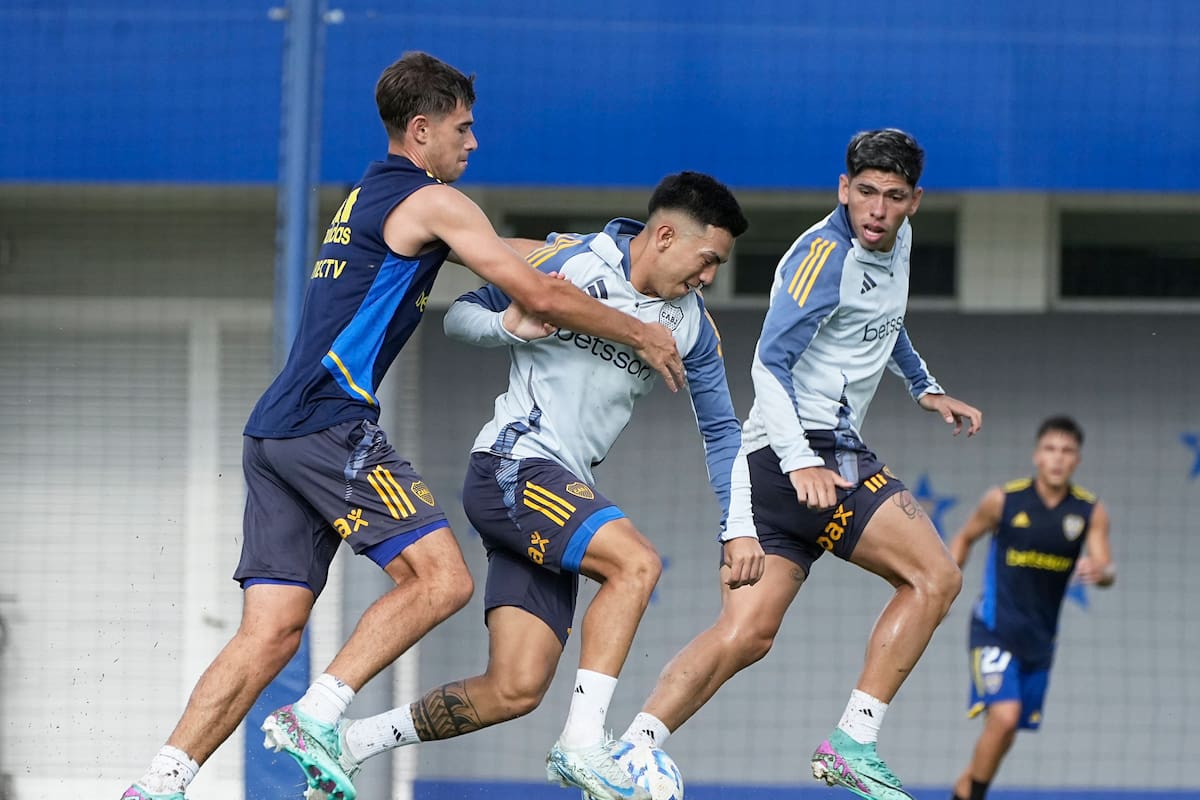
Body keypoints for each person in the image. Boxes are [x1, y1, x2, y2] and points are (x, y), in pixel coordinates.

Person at [121, 51, 687, 800]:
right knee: (441, 579)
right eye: (464, 127)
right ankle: (319, 715)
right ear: (421, 130)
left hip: (276, 431)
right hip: (331, 422)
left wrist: (597, 256)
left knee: (272, 631)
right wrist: (639, 330)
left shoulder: (370, 196)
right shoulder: (434, 201)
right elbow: (536, 295)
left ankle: (160, 782)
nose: (473, 143)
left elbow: (514, 253)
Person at [292, 171, 749, 800]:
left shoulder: (694, 327)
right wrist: (513, 326)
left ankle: (353, 742)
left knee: (515, 688)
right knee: (636, 564)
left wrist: (739, 526)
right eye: (707, 261)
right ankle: (585, 745)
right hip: (514, 467)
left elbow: (723, 429)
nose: (708, 278)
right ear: (665, 235)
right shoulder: (569, 259)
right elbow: (464, 317)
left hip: (563, 492)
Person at [616, 129, 983, 800]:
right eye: (864, 193)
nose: (876, 209)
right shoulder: (822, 255)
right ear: (843, 190)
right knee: (935, 577)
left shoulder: (892, 244)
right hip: (808, 451)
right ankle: (853, 742)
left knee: (745, 635)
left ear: (914, 201)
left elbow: (882, 316)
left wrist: (922, 385)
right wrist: (802, 458)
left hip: (776, 471)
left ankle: (633, 748)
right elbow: (767, 364)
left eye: (892, 197)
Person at [948, 416, 1114, 800]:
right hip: (993, 628)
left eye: (1067, 451)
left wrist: (1100, 571)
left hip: (1039, 642)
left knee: (1004, 734)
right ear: (1037, 456)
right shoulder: (1003, 501)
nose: (1058, 458)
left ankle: (964, 792)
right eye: (1051, 449)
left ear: (1077, 461)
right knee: (1004, 718)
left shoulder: (1090, 511)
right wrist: (945, 589)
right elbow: (965, 537)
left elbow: (1107, 569)